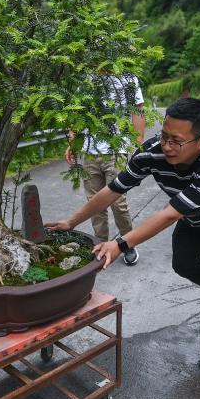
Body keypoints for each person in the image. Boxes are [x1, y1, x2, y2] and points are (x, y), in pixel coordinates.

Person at [47, 98, 200, 376]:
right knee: (183, 264)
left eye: (176, 141)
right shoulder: (151, 152)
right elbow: (113, 190)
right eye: (164, 136)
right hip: (193, 216)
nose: (166, 146)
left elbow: (169, 215)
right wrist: (71, 221)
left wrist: (121, 244)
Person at [65, 72, 146, 265]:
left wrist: (138, 145)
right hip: (89, 152)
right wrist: (74, 143)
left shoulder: (128, 78)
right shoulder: (86, 77)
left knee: (118, 203)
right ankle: (100, 244)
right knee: (95, 203)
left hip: (117, 150)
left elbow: (138, 111)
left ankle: (127, 243)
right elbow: (79, 112)